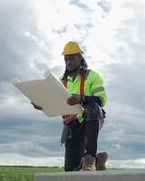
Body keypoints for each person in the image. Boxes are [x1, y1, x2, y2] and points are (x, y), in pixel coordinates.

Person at [31, 41, 108, 171]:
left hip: (91, 119)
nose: (68, 62)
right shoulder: (61, 81)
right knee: (71, 169)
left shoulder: (93, 76)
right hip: (72, 124)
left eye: (72, 58)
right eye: (66, 59)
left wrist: (81, 98)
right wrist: (42, 105)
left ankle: (90, 157)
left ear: (80, 58)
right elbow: (54, 101)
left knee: (92, 108)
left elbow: (102, 100)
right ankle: (98, 158)